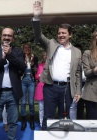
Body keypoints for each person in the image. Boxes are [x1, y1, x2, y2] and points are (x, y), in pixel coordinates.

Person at [32, 1, 81, 130]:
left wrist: (78, 91)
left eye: (63, 33)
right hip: (50, 87)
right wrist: (37, 17)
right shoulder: (52, 45)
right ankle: (45, 136)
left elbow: (77, 73)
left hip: (67, 89)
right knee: (47, 117)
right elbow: (38, 36)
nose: (60, 35)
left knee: (64, 118)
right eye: (59, 33)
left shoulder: (77, 51)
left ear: (70, 35)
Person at [0, 28, 26, 140]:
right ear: (1, 36)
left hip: (13, 93)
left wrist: (10, 54)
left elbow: (22, 66)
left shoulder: (18, 52)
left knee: (13, 122)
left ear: (13, 38)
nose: (7, 37)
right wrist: (3, 58)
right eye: (4, 35)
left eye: (9, 35)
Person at [21, 43, 38, 131]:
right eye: (25, 47)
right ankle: (23, 122)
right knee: (23, 102)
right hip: (23, 80)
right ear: (23, 49)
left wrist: (31, 61)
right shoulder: (20, 57)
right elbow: (19, 67)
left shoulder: (35, 58)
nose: (27, 49)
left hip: (31, 81)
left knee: (31, 102)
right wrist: (25, 60)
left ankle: (32, 121)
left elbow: (35, 69)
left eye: (28, 47)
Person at [82, 29, 97, 119]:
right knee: (93, 123)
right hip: (92, 93)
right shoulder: (87, 53)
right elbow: (86, 73)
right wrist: (95, 70)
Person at [34, 51, 46, 130]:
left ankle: (48, 124)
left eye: (47, 55)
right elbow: (36, 76)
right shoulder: (40, 65)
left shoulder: (53, 65)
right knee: (41, 108)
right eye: (44, 55)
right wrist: (39, 76)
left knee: (49, 108)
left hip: (51, 89)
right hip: (41, 88)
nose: (45, 56)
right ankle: (42, 124)